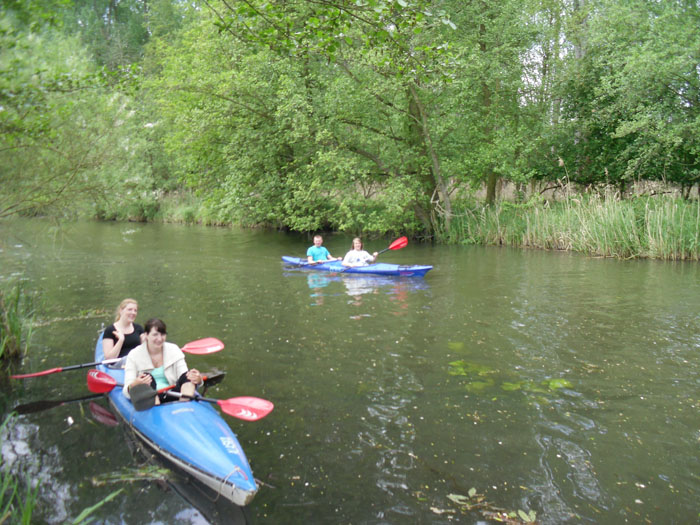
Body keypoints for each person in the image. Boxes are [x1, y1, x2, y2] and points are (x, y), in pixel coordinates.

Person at [123, 318, 202, 404]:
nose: (159, 339)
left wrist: (197, 379)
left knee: (188, 375)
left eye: (162, 334)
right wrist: (135, 384)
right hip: (150, 396)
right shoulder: (134, 355)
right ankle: (156, 409)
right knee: (146, 377)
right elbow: (126, 390)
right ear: (146, 335)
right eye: (155, 335)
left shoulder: (174, 349)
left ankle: (185, 406)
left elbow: (184, 376)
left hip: (174, 393)